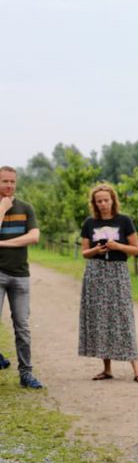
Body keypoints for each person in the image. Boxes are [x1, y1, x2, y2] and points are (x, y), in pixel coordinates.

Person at [78, 183, 138, 383]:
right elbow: (84, 252)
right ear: (94, 203)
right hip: (95, 272)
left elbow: (135, 249)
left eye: (106, 200)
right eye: (99, 201)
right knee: (100, 318)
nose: (103, 204)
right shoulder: (89, 223)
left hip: (118, 272)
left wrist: (117, 246)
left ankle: (137, 370)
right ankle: (107, 369)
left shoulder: (124, 220)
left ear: (113, 200)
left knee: (123, 317)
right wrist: (95, 251)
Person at [0, 165, 43, 388]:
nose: (9, 185)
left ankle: (26, 373)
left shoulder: (26, 208)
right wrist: (2, 209)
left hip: (20, 275)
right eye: (4, 181)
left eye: (12, 182)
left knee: (22, 327)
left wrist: (2, 243)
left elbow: (34, 237)